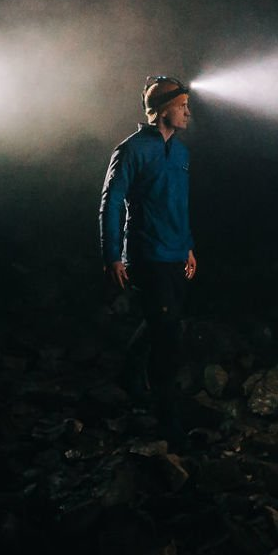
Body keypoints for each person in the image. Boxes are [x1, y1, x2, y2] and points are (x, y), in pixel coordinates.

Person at [99, 75, 197, 448]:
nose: (188, 112)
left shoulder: (181, 153)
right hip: (147, 254)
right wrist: (112, 255)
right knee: (168, 335)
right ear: (162, 110)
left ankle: (128, 373)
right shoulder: (132, 150)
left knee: (163, 320)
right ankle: (168, 421)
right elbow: (111, 201)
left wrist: (188, 246)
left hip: (175, 254)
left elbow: (179, 204)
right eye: (182, 105)